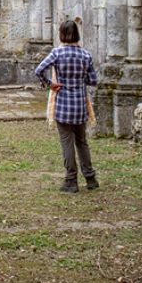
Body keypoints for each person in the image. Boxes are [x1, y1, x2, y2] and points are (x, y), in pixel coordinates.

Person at [34, 19, 99, 193]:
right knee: (82, 142)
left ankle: (71, 181)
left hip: (63, 104)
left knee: (67, 143)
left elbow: (38, 70)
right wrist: (79, 79)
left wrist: (50, 84)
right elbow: (93, 80)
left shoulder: (57, 53)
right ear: (77, 34)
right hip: (79, 105)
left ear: (62, 34)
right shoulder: (86, 55)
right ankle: (90, 178)